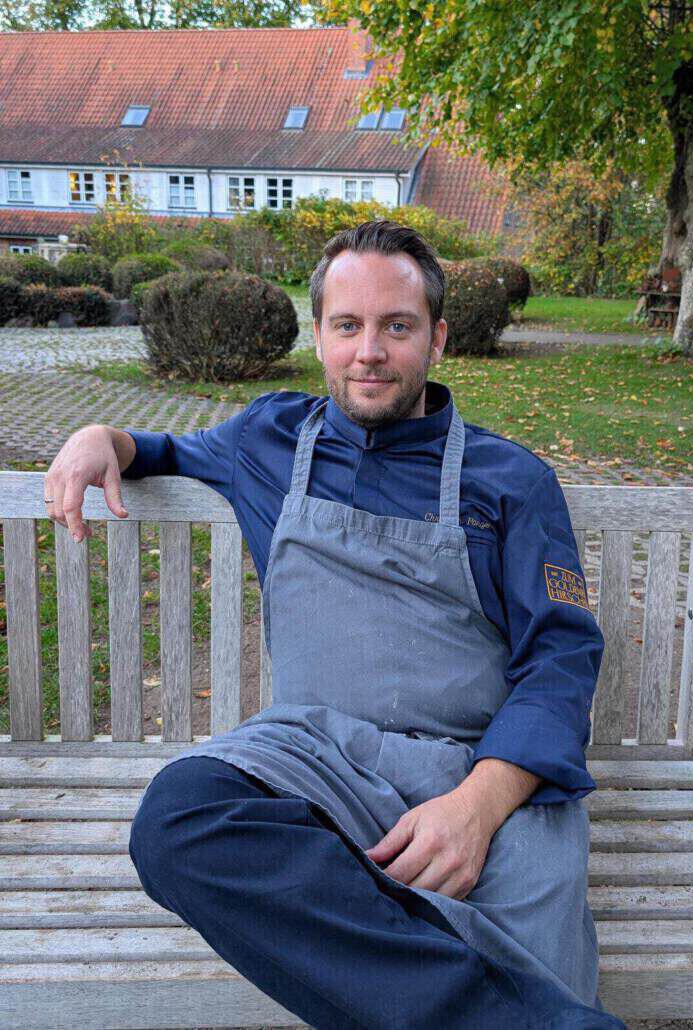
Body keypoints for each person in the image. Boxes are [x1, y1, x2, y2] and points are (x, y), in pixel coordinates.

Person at [43, 220, 626, 1029]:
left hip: (480, 773)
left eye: (397, 326)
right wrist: (96, 437)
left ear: (437, 337)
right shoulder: (267, 438)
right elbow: (160, 448)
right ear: (318, 334)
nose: (369, 353)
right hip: (316, 756)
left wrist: (478, 807)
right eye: (347, 326)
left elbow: (562, 656)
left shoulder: (513, 481)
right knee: (179, 820)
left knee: (537, 961)